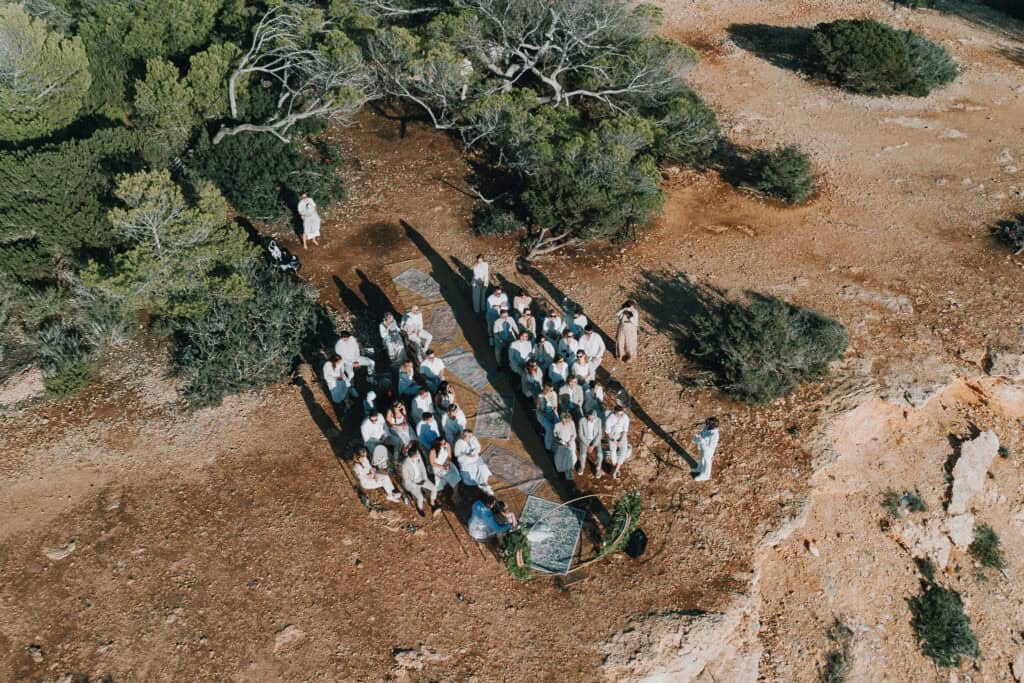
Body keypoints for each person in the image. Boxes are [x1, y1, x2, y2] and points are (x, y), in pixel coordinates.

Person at [455, 429, 494, 495]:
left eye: (471, 436)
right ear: (464, 436)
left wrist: (475, 452)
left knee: (482, 468)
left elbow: (478, 447)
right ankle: (480, 486)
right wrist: (466, 455)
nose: (471, 437)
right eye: (469, 436)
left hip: (476, 458)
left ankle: (485, 485)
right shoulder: (459, 443)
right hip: (466, 462)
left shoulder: (473, 438)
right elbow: (457, 456)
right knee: (473, 473)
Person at [400, 443, 435, 515]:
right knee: (420, 497)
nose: (418, 454)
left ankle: (432, 502)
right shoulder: (405, 465)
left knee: (434, 488)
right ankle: (420, 508)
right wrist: (415, 484)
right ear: (413, 456)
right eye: (417, 453)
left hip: (421, 479)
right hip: (413, 483)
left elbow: (422, 467)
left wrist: (425, 478)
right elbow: (407, 480)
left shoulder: (418, 457)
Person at [429, 439, 461, 507]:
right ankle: (435, 499)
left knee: (456, 476)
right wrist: (442, 467)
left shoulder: (447, 445)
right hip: (438, 467)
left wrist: (448, 463)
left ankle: (455, 494)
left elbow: (449, 456)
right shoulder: (433, 451)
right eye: (442, 444)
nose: (444, 445)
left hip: (447, 463)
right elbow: (432, 463)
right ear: (438, 444)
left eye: (445, 443)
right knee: (439, 484)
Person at [605, 405, 631, 479]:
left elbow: (625, 430)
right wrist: (615, 441)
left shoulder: (626, 418)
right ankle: (614, 466)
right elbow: (608, 432)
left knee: (623, 451)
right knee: (613, 451)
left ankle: (616, 469)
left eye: (622, 414)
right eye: (619, 414)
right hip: (612, 436)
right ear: (615, 412)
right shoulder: (609, 419)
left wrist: (620, 440)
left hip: (622, 436)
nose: (620, 416)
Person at [692, 417, 721, 482]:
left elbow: (710, 445)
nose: (706, 425)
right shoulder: (707, 427)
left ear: (712, 425)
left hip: (708, 450)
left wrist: (701, 440)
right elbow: (702, 432)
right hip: (702, 447)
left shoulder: (715, 435)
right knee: (702, 458)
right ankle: (699, 468)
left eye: (708, 424)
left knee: (706, 461)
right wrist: (698, 436)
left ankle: (705, 475)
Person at [578, 409, 604, 477]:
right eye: (589, 418)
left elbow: (599, 434)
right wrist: (587, 445)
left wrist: (592, 446)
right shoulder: (582, 420)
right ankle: (582, 467)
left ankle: (598, 469)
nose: (591, 419)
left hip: (595, 440)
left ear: (595, 417)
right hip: (585, 440)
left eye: (592, 418)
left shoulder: (599, 420)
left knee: (600, 455)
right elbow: (580, 434)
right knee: (583, 455)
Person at [552, 412, 578, 480]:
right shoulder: (557, 425)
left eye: (567, 421)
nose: (566, 422)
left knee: (571, 457)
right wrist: (561, 441)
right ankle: (564, 471)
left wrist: (570, 442)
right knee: (561, 458)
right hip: (562, 444)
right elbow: (555, 435)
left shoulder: (571, 423)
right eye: (564, 421)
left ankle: (570, 471)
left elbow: (574, 434)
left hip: (570, 443)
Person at [535, 382, 559, 451]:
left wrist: (552, 414)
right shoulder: (540, 396)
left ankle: (556, 444)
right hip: (542, 415)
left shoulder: (554, 394)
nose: (551, 392)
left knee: (557, 425)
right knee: (550, 428)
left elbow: (555, 406)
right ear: (545, 389)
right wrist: (546, 415)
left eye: (552, 390)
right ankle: (548, 446)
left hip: (552, 413)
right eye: (550, 390)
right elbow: (538, 409)